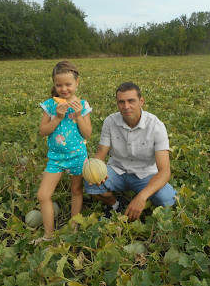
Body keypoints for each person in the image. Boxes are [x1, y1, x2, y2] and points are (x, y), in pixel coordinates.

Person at [85, 82, 177, 222]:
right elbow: (101, 153)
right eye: (121, 102)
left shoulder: (156, 126)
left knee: (167, 199)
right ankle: (114, 204)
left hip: (145, 174)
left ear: (141, 101)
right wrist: (94, 170)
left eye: (131, 101)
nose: (126, 106)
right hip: (117, 170)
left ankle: (143, 198)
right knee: (89, 184)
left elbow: (165, 172)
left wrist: (142, 197)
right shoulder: (110, 122)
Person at [36, 60, 92, 242]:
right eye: (59, 85)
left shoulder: (82, 105)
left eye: (68, 84)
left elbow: (87, 134)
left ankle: (74, 226)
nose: (64, 89)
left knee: (76, 190)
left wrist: (78, 114)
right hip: (56, 159)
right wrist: (58, 116)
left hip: (77, 157)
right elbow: (42, 131)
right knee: (43, 195)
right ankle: (49, 235)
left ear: (77, 82)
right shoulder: (50, 105)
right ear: (54, 84)